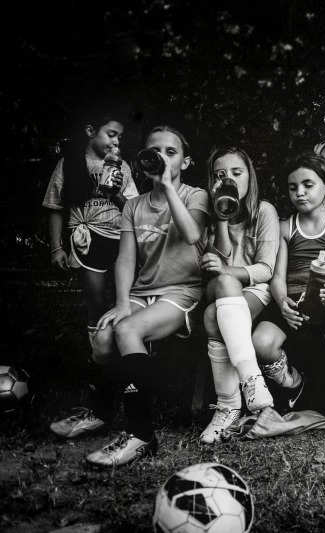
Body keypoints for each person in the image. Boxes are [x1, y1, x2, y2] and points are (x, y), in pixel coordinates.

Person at [86, 125, 210, 466]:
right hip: (143, 290)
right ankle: (100, 414)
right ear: (143, 159)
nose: (162, 158)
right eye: (155, 151)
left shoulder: (196, 195)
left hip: (183, 291)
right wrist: (122, 303)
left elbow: (191, 234)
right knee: (103, 338)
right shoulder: (133, 205)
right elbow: (126, 259)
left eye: (171, 152)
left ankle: (141, 434)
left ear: (185, 162)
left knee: (127, 330)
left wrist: (168, 186)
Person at [45, 106, 139, 439]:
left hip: (120, 240)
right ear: (90, 131)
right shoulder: (69, 164)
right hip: (86, 240)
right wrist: (56, 247)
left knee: (125, 302)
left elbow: (135, 209)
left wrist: (116, 192)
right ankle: (100, 377)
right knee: (97, 306)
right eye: (111, 134)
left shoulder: (122, 167)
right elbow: (55, 207)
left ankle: (128, 378)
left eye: (120, 137)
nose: (116, 142)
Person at [251, 153, 325, 425]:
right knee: (261, 342)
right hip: (292, 300)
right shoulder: (285, 227)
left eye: (308, 185)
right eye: (293, 187)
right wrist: (282, 302)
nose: (299, 192)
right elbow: (277, 276)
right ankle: (293, 385)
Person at [198, 146, 281, 444]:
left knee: (212, 317)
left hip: (254, 289)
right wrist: (221, 216)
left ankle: (228, 406)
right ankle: (251, 380)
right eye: (220, 175)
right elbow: (215, 267)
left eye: (237, 172)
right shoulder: (206, 214)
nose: (229, 180)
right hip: (217, 287)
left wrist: (227, 270)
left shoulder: (264, 211)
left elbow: (266, 269)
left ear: (250, 176)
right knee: (224, 283)